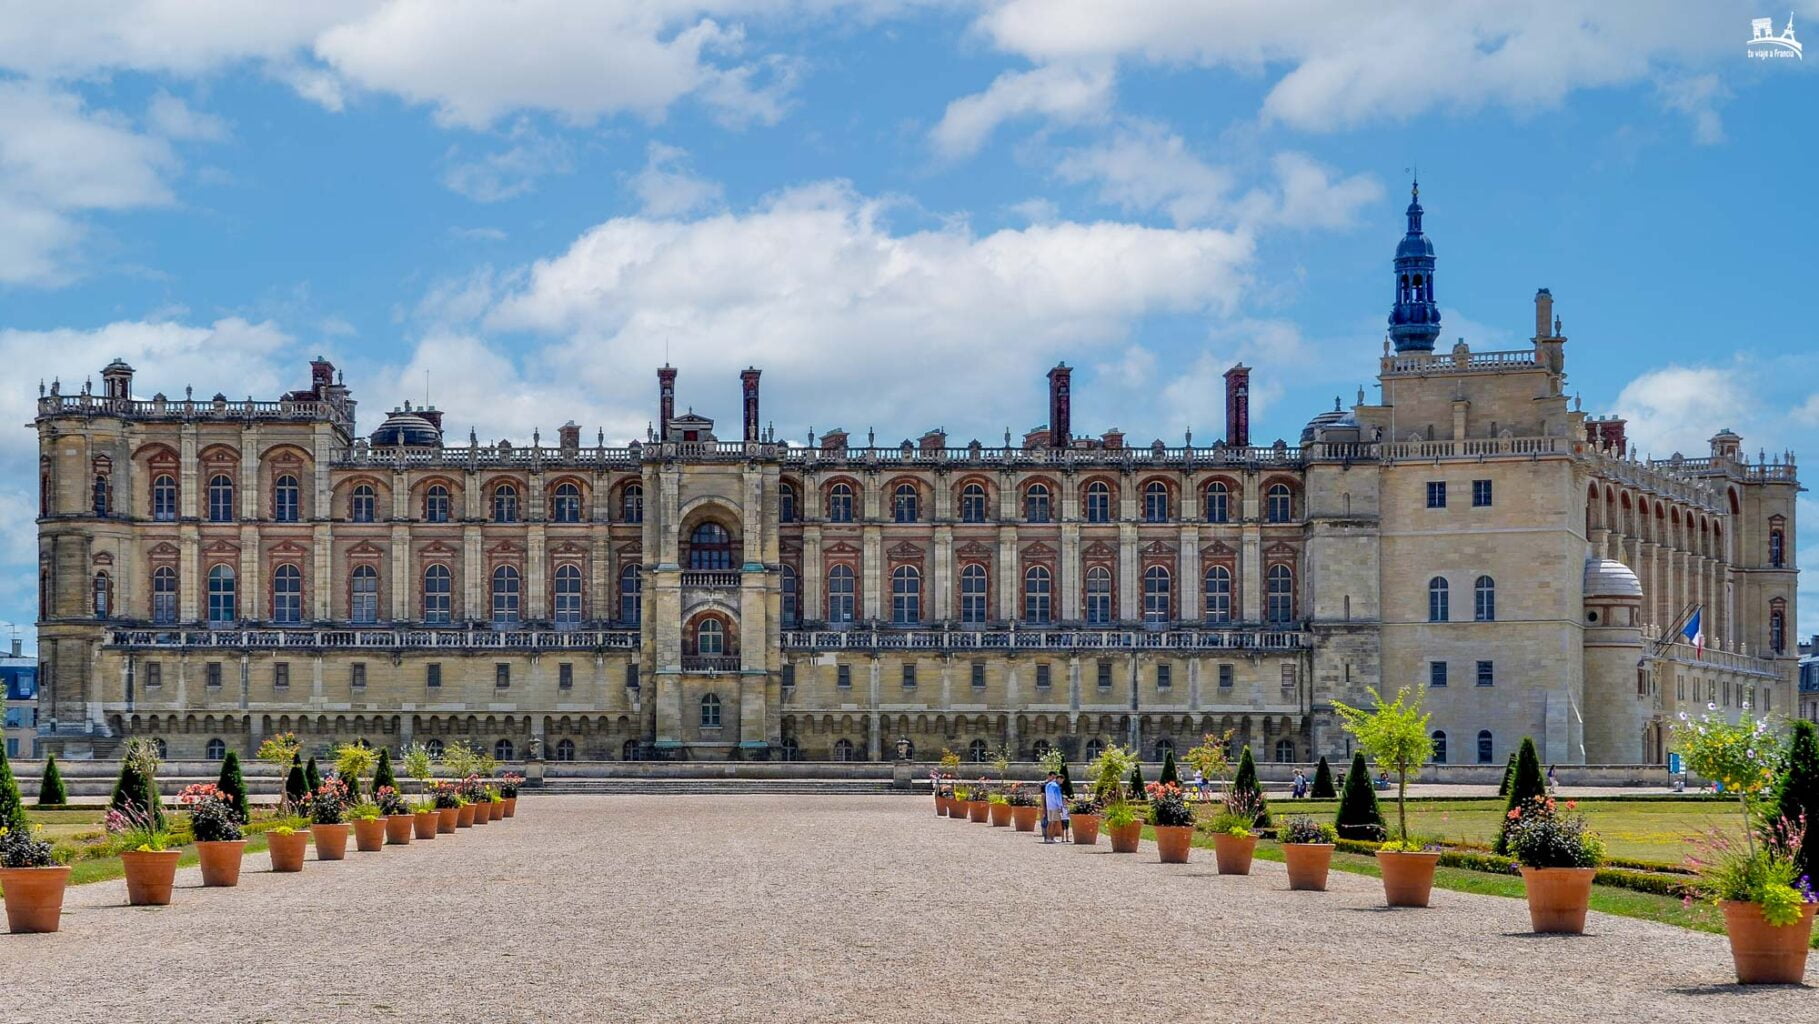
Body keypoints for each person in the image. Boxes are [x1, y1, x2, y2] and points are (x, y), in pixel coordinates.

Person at [1041, 771, 1066, 843]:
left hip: (1049, 806)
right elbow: (1058, 797)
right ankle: (1052, 837)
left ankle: (1048, 837)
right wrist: (1060, 806)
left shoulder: (1048, 785)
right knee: (1054, 822)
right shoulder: (1056, 786)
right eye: (1062, 781)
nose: (1062, 782)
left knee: (1050, 822)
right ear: (1059, 779)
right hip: (1055, 807)